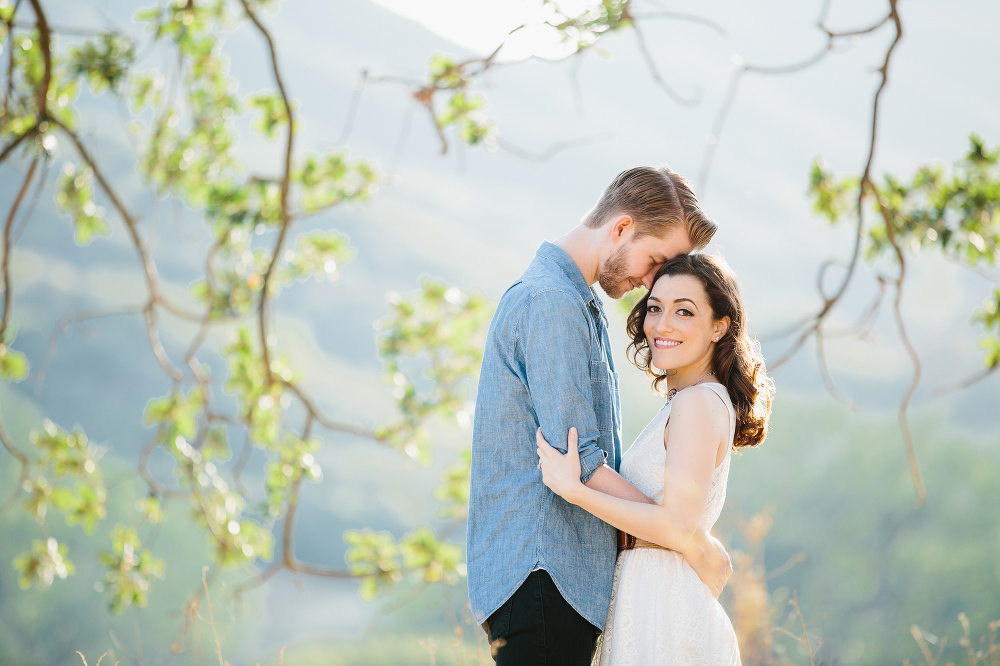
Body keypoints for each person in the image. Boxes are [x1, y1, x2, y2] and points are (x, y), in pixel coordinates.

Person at [467, 166, 733, 666]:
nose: (651, 282)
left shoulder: (577, 300)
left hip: (555, 578)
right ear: (620, 228)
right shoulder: (554, 303)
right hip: (545, 572)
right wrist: (690, 541)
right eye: (654, 261)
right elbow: (581, 459)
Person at [536, 253, 774, 665]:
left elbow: (678, 524)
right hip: (651, 598)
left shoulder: (699, 402)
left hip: (666, 609)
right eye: (655, 308)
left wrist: (575, 491)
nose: (662, 325)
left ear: (720, 326)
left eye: (684, 312)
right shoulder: (690, 400)